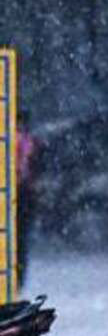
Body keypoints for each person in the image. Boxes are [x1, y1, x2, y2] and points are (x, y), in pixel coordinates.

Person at [14, 110, 39, 289]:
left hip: (19, 194)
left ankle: (16, 279)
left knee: (18, 239)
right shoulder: (31, 142)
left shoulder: (18, 141)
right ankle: (18, 279)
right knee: (21, 240)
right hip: (24, 195)